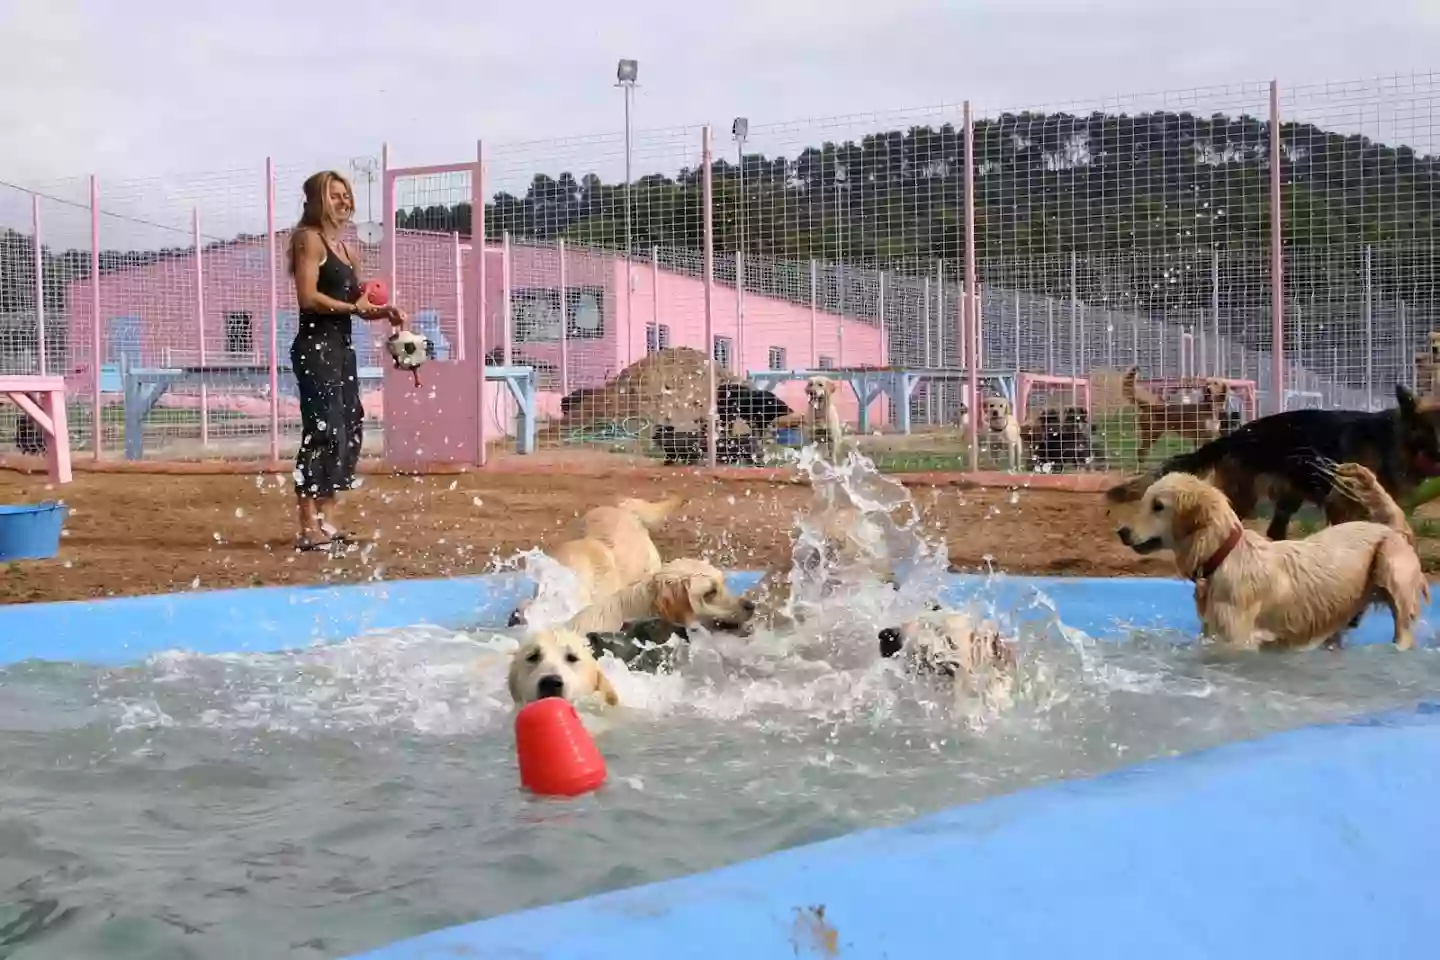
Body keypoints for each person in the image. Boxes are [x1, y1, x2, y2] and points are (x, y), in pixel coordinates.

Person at [287, 170, 406, 551]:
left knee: (348, 429)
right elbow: (308, 297)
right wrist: (353, 307)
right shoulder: (308, 240)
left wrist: (385, 312)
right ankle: (308, 528)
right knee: (321, 432)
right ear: (318, 201)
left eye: (346, 195)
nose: (343, 202)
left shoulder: (349, 252)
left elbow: (358, 307)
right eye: (334, 195)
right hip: (314, 347)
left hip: (341, 350)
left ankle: (328, 522)